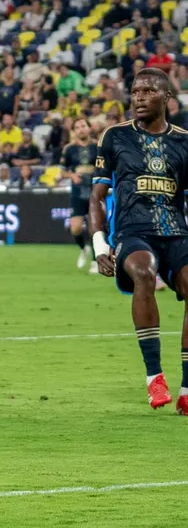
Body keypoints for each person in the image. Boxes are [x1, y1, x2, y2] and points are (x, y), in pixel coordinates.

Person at [91, 68, 188, 413]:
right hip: (133, 232)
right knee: (145, 273)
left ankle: (187, 388)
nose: (139, 98)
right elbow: (98, 196)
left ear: (167, 98)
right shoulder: (114, 137)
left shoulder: (183, 141)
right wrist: (100, 246)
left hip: (176, 231)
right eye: (135, 92)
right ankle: (155, 377)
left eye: (148, 92)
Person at [62, 118, 99, 273]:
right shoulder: (69, 149)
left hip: (95, 191)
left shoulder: (98, 146)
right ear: (74, 131)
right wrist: (72, 176)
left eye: (83, 126)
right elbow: (62, 171)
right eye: (77, 127)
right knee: (75, 228)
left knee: (94, 227)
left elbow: (106, 166)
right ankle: (84, 248)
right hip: (78, 192)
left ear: (89, 128)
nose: (80, 129)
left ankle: (95, 261)